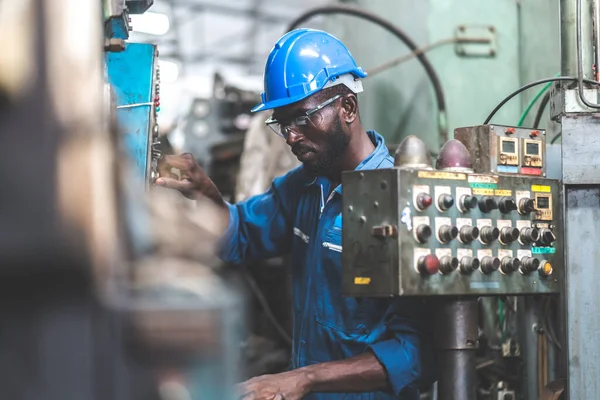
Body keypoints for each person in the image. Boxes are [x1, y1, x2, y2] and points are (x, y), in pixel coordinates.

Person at [157, 28, 431, 400]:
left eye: (303, 118)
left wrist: (304, 378)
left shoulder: (401, 200)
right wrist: (206, 193)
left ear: (347, 108)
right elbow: (239, 235)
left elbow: (415, 355)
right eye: (282, 124)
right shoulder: (304, 187)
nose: (290, 137)